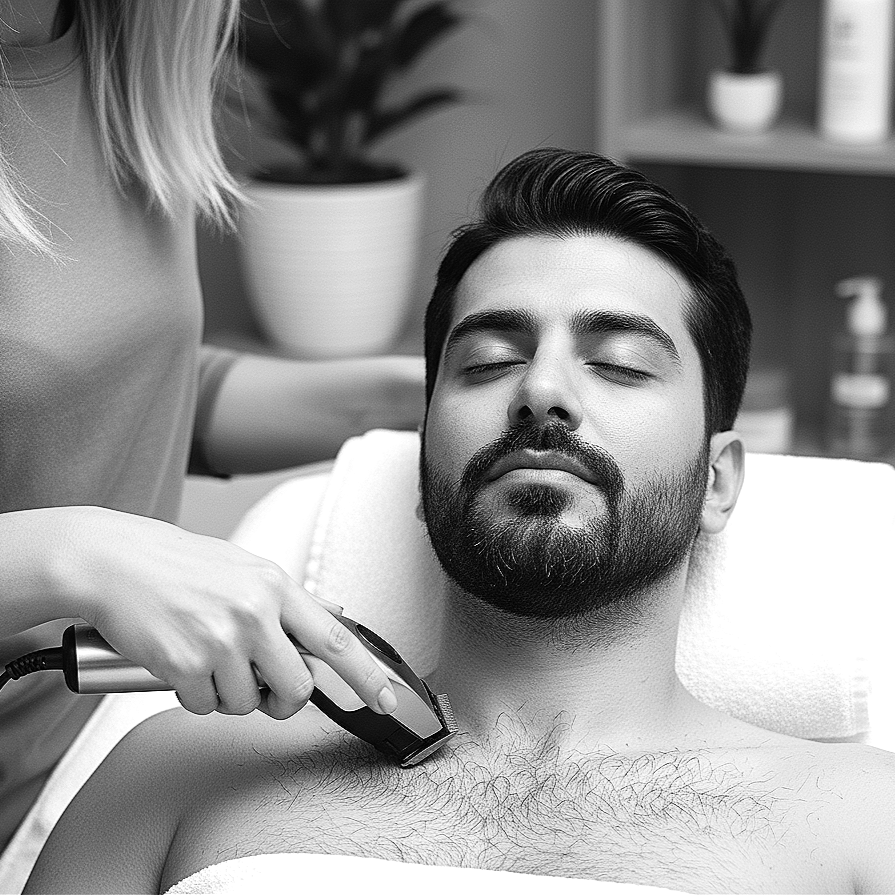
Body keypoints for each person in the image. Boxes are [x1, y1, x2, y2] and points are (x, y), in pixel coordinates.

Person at [24, 148, 895, 895]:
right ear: (421, 458)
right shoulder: (176, 773)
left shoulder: (863, 819)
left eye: (620, 364)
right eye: (488, 361)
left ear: (717, 479)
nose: (542, 391)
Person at [0, 0, 422, 856]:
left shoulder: (122, 58)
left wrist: (411, 397)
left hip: (94, 757)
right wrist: (76, 556)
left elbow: (111, 383)